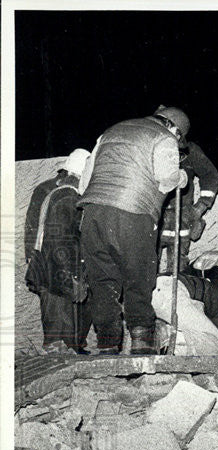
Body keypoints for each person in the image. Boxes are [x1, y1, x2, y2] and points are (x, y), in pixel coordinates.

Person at [78, 106, 190, 354]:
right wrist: (181, 177)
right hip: (132, 214)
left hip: (92, 214)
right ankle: (141, 345)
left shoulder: (110, 132)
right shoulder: (164, 137)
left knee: (102, 283)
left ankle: (107, 345)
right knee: (138, 279)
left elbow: (84, 181)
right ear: (174, 129)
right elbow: (166, 177)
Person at [24, 148, 92, 352]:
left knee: (67, 307)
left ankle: (71, 346)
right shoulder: (61, 195)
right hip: (52, 261)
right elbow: (38, 228)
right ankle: (58, 350)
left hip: (54, 260)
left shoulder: (67, 193)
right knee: (56, 306)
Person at [158, 136, 218, 270]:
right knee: (146, 264)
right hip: (156, 214)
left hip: (181, 217)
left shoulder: (190, 150)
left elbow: (210, 174)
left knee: (177, 267)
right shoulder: (151, 146)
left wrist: (201, 206)